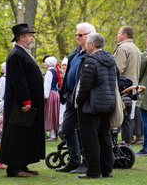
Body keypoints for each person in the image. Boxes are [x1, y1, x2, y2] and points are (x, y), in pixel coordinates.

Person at [0, 23, 45, 177]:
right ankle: (14, 168)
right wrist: (26, 100)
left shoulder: (23, 52)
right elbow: (19, 80)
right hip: (20, 103)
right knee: (17, 134)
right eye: (29, 35)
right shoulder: (16, 54)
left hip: (28, 102)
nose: (32, 38)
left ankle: (22, 164)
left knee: (26, 134)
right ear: (21, 37)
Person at [56, 22, 96, 173]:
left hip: (85, 97)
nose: (77, 37)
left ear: (89, 36)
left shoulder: (93, 54)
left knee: (84, 130)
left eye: (80, 35)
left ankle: (86, 162)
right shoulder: (75, 53)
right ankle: (74, 161)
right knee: (67, 128)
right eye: (76, 35)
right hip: (72, 96)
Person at [76, 33, 117, 179]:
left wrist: (79, 101)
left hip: (91, 105)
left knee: (90, 138)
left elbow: (85, 85)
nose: (85, 46)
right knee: (104, 136)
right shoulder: (111, 59)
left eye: (87, 44)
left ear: (92, 45)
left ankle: (93, 171)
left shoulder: (91, 61)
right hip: (107, 103)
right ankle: (107, 169)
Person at [113, 26, 141, 144]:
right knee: (127, 119)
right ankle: (126, 143)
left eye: (119, 33)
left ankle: (114, 144)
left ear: (124, 35)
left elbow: (118, 69)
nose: (117, 36)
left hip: (122, 88)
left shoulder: (123, 48)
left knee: (116, 117)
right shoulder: (136, 49)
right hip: (132, 89)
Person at [44, 56, 61, 141]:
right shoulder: (55, 71)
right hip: (55, 93)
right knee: (54, 113)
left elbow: (47, 85)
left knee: (50, 113)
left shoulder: (49, 72)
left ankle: (53, 135)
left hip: (50, 93)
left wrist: (45, 95)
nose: (44, 64)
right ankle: (54, 134)